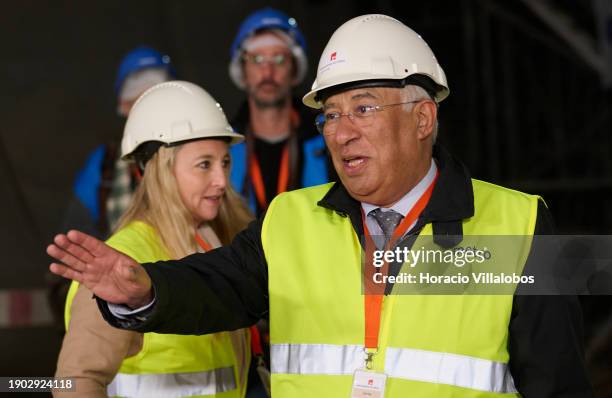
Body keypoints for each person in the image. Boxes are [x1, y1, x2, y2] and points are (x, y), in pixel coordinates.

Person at [48, 15, 592, 397]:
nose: (342, 133)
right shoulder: (289, 220)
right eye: (331, 115)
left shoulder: (518, 225)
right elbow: (215, 287)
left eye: (363, 108)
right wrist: (146, 290)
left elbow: (558, 383)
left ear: (424, 118)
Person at [53, 81, 252, 397]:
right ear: (160, 170)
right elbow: (76, 381)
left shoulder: (214, 242)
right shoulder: (119, 262)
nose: (221, 180)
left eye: (225, 162)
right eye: (204, 164)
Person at [48, 45, 175, 333]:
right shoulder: (103, 166)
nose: (146, 110)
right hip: (121, 306)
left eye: (154, 99)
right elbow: (71, 244)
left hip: (181, 298)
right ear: (123, 105)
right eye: (136, 99)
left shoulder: (196, 161)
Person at [228, 7, 332, 216]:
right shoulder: (224, 147)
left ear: (294, 69)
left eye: (279, 59)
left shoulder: (329, 137)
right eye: (257, 59)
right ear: (242, 71)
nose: (268, 72)